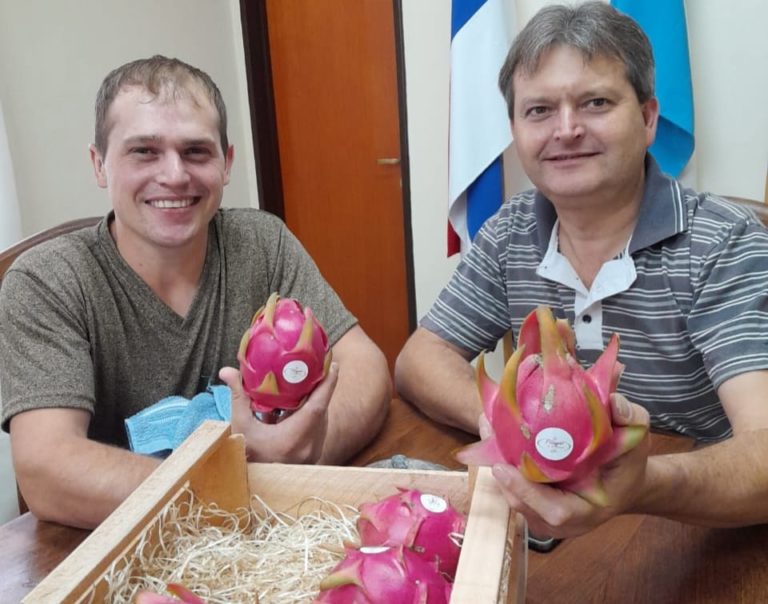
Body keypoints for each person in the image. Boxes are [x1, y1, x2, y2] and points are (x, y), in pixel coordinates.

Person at [396, 1, 768, 538]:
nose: (566, 130)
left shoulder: (724, 242)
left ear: (647, 118)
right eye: (539, 110)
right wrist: (518, 426)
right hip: (548, 517)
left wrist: (633, 478)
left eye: (595, 102)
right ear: (515, 130)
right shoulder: (509, 231)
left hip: (691, 523)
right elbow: (420, 358)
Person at [0, 56, 391, 529]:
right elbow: (48, 470)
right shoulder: (46, 280)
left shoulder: (262, 243)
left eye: (196, 152)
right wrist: (234, 478)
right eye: (144, 151)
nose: (175, 175)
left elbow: (366, 368)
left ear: (226, 163)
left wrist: (294, 454)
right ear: (99, 164)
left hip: (269, 535)